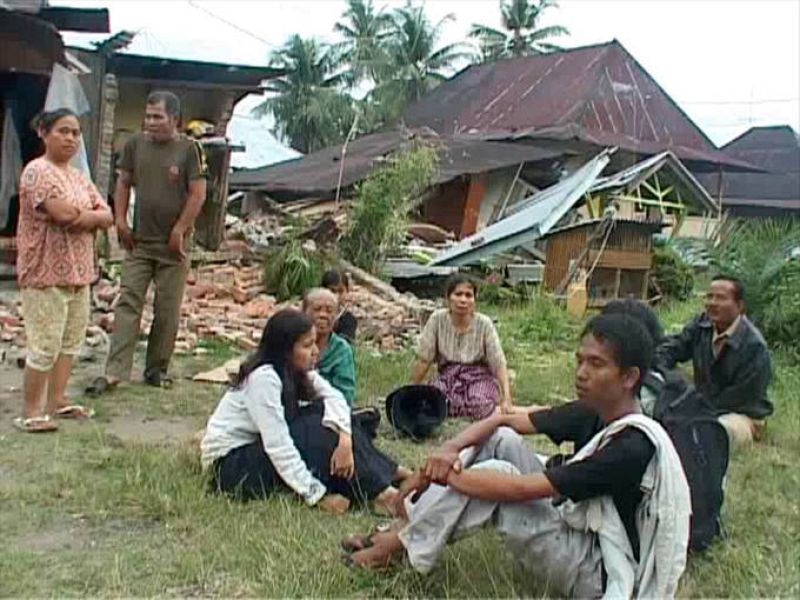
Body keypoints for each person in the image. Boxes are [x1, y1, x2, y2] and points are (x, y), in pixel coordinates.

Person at [342, 314, 691, 599]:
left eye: (596, 364)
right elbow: (505, 419)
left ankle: (397, 546)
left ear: (629, 377)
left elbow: (522, 490)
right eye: (580, 360)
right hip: (579, 531)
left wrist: (441, 474)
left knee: (498, 473)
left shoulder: (631, 445)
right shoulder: (597, 410)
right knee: (502, 439)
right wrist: (447, 451)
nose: (581, 372)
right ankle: (404, 530)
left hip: (601, 572)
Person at [200, 309, 403, 515]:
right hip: (231, 466)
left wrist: (345, 439)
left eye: (315, 343)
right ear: (285, 349)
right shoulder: (264, 379)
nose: (315, 351)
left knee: (329, 414)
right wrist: (316, 495)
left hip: (258, 451)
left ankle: (390, 473)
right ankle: (381, 492)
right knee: (316, 430)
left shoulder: (297, 372)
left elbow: (335, 398)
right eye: (307, 345)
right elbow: (278, 445)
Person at [87, 91, 207, 394]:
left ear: (174, 119)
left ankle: (156, 369)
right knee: (128, 302)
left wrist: (180, 230)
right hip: (139, 242)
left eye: (158, 117)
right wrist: (120, 220)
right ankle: (115, 371)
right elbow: (124, 182)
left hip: (173, 248)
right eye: (148, 116)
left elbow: (197, 194)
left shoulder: (189, 150)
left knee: (166, 309)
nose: (151, 122)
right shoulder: (134, 145)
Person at [14, 109, 113, 432]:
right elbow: (62, 215)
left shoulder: (77, 176)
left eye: (75, 132)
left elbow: (107, 214)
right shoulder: (37, 172)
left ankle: (57, 401)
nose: (70, 138)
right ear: (44, 133)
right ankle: (31, 411)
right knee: (44, 343)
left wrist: (82, 215)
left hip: (78, 272)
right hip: (45, 272)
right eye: (63, 131)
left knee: (70, 341)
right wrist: (87, 216)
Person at [655, 275, 773, 445]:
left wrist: (691, 404)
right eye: (709, 296)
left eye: (721, 298)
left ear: (739, 306)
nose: (712, 303)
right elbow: (671, 348)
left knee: (715, 431)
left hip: (738, 414)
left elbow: (739, 397)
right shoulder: (702, 325)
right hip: (700, 403)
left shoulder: (754, 347)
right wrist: (667, 376)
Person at [410, 274, 513, 419]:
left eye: (468, 295)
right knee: (433, 400)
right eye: (458, 294)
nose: (463, 300)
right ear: (448, 297)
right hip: (447, 376)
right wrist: (410, 389)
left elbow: (498, 362)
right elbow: (424, 359)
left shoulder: (484, 324)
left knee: (480, 404)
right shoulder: (437, 320)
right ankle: (454, 406)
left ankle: (465, 406)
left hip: (479, 376)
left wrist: (506, 398)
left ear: (474, 300)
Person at [303, 287, 356, 406]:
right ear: (304, 312)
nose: (323, 315)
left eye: (329, 310)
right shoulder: (294, 344)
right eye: (317, 309)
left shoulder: (342, 350)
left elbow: (346, 394)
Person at [321, 269, 357, 344]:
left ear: (347, 291)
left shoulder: (348, 320)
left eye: (341, 291)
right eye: (332, 291)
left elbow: (344, 346)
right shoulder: (314, 315)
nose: (336, 296)